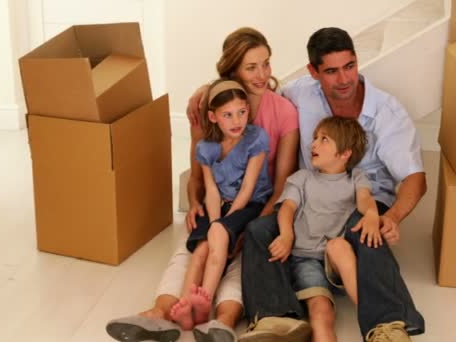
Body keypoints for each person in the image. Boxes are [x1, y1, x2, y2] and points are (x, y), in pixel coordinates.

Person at [106, 27, 300, 342]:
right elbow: (198, 177)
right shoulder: (206, 106)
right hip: (219, 206)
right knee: (193, 250)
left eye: (266, 63)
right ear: (233, 69)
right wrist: (196, 204)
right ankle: (163, 313)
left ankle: (220, 321)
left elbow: (282, 183)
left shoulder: (284, 112)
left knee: (244, 255)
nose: (263, 74)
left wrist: (254, 223)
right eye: (252, 67)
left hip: (258, 207)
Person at [239, 27, 426, 342]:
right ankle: (275, 317)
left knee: (367, 229)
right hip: (310, 201)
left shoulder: (386, 112)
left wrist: (390, 217)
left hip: (361, 200)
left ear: (356, 61)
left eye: (350, 66)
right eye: (331, 71)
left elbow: (415, 178)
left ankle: (388, 324)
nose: (344, 79)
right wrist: (207, 93)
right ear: (313, 72)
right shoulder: (298, 93)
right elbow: (255, 94)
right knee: (258, 230)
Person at [170, 79, 272, 331]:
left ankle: (205, 299)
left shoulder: (256, 139)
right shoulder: (206, 147)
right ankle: (186, 306)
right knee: (202, 247)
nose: (237, 121)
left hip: (250, 203)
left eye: (242, 112)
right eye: (228, 115)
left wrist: (225, 225)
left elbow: (248, 187)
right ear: (213, 117)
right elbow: (211, 189)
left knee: (216, 233)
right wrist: (216, 221)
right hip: (220, 204)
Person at [271, 116, 380, 342]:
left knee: (338, 245)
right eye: (314, 139)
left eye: (324, 139)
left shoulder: (356, 178)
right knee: (321, 311)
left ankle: (375, 317)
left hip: (337, 260)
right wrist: (286, 235)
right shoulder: (301, 178)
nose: (313, 144)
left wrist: (371, 214)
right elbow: (287, 209)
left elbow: (365, 198)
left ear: (344, 153)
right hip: (306, 259)